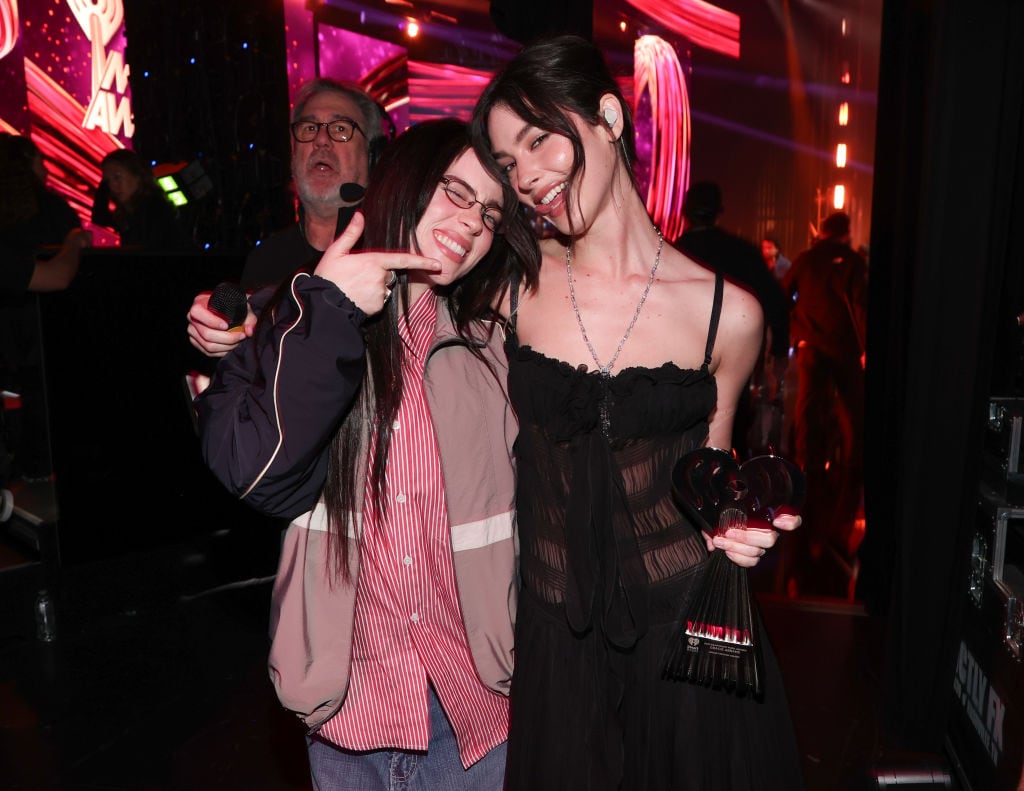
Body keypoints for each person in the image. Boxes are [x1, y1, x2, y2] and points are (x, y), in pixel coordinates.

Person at [470, 34, 804, 790]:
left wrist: (737, 522)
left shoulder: (730, 315)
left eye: (537, 141)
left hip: (684, 648)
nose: (527, 177)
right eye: (508, 164)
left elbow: (709, 481)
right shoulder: (511, 289)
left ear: (609, 118)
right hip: (556, 649)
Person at [194, 118, 539, 789]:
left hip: (475, 717)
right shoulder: (297, 322)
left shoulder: (497, 348)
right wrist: (326, 313)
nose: (472, 222)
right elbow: (251, 469)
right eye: (455, 193)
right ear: (402, 183)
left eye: (491, 212)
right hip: (347, 718)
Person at [187, 78, 390, 357]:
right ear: (293, 156)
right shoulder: (265, 259)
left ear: (372, 157)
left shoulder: (393, 251)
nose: (320, 140)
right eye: (309, 128)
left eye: (340, 129)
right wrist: (220, 331)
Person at [782, 210, 867, 597]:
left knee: (808, 404)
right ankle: (854, 457)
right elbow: (862, 305)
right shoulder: (852, 261)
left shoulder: (806, 258)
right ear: (846, 234)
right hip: (844, 346)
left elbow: (783, 292)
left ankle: (806, 457)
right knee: (852, 408)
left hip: (811, 343)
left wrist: (795, 330)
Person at [0, 133, 92, 479]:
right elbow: (58, 276)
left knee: (18, 404)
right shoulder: (49, 206)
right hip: (44, 328)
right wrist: (75, 242)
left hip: (10, 336)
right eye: (39, 160)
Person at [677, 181, 790, 459]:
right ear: (720, 212)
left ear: (684, 212)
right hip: (732, 357)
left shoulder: (670, 252)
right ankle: (730, 491)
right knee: (732, 429)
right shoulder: (743, 253)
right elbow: (776, 303)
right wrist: (778, 354)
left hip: (680, 359)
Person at [91, 148, 190, 251]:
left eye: (117, 177)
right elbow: (99, 218)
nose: (112, 186)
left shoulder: (154, 209)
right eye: (108, 181)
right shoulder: (129, 211)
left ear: (137, 175)